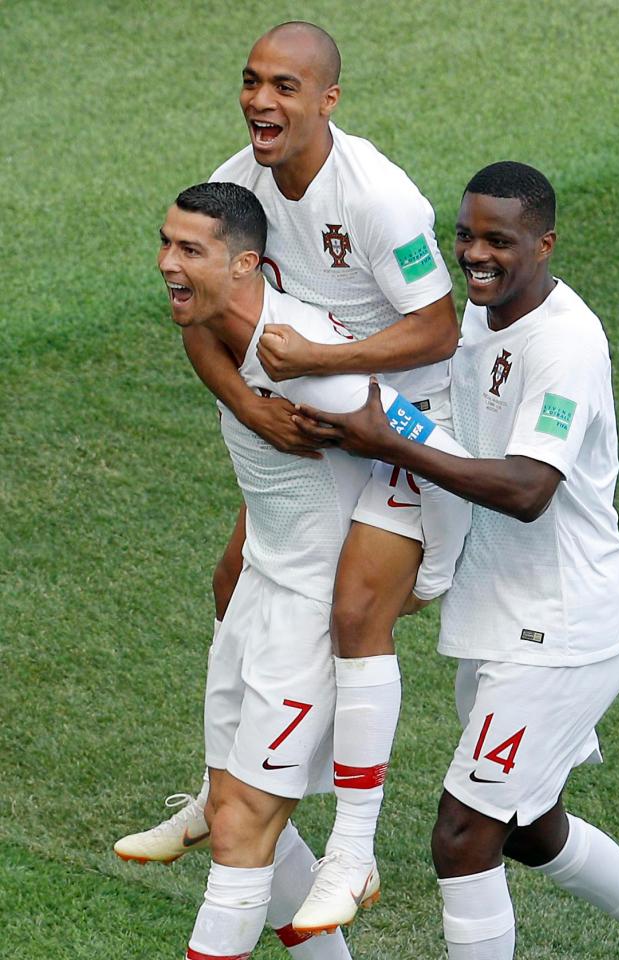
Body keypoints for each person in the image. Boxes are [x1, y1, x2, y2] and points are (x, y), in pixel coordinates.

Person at [291, 161, 619, 960]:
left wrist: (386, 437)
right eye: (466, 235)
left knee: (463, 835)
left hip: (562, 629)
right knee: (527, 826)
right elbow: (441, 420)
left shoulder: (566, 345)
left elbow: (527, 488)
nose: (476, 254)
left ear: (544, 245)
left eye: (498, 241)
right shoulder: (474, 317)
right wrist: (349, 411)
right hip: (504, 620)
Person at [116, 19, 465, 930]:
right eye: (251, 81)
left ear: (327, 101)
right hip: (315, 419)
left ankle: (354, 849)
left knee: (353, 610)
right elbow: (201, 316)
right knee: (235, 579)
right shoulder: (235, 186)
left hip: (410, 426)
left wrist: (309, 361)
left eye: (284, 86)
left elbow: (440, 330)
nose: (261, 101)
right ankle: (213, 789)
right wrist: (250, 403)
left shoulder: (379, 196)